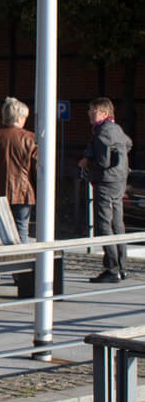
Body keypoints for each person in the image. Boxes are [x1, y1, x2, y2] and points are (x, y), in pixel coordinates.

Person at [80, 98, 133, 282]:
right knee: (118, 222)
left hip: (106, 181)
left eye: (93, 110)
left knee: (104, 223)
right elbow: (128, 143)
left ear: (103, 113)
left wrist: (87, 162)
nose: (89, 113)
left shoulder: (102, 132)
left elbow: (103, 162)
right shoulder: (117, 129)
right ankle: (122, 267)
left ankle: (111, 268)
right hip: (119, 180)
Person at [0, 97, 37, 241]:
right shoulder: (31, 138)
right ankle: (22, 260)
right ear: (21, 118)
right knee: (21, 229)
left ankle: (3, 261)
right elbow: (37, 169)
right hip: (23, 192)